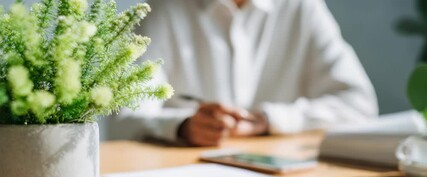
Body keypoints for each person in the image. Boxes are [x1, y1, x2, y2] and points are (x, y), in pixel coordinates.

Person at [109, 0, 378, 146]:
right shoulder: (164, 8)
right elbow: (124, 117)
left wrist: (268, 120)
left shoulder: (303, 7)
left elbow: (359, 103)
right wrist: (183, 126)